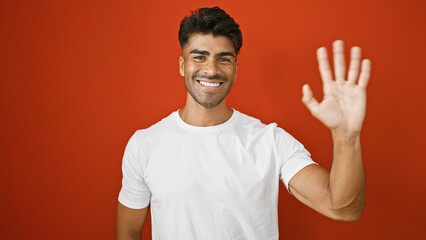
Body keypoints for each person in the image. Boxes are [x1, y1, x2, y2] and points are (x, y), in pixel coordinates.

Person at [116, 6, 371, 240]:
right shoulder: (144, 144)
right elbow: (127, 231)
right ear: (183, 65)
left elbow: (344, 209)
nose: (212, 69)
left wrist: (345, 136)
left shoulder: (270, 140)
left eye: (224, 59)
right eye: (199, 57)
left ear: (236, 68)